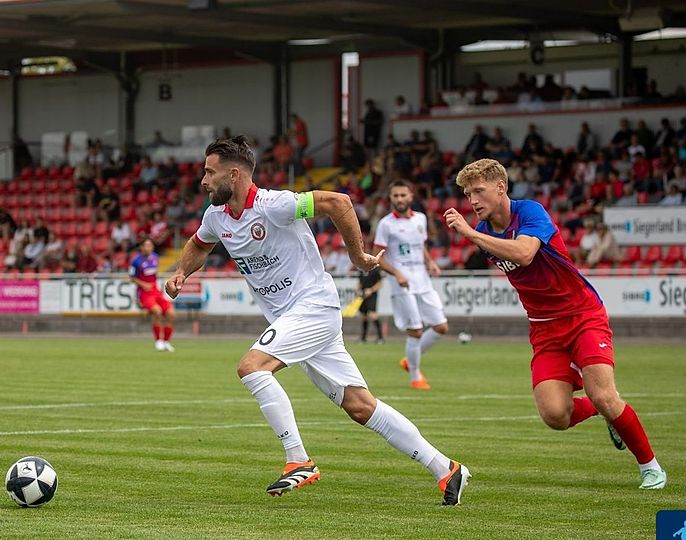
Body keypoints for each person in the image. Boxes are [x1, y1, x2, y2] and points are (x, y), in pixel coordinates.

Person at [165, 136, 470, 504]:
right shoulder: (216, 216)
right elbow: (199, 244)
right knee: (360, 406)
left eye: (209, 173)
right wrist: (182, 271)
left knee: (252, 367)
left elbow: (338, 202)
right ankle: (446, 469)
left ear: (234, 174)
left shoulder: (274, 204)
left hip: (312, 307)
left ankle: (298, 459)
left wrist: (358, 256)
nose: (203, 180)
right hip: (297, 319)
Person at [444, 158, 666, 490]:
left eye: (478, 191)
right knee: (554, 415)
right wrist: (476, 235)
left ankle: (651, 467)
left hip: (582, 316)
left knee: (605, 393)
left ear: (500, 187)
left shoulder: (530, 212)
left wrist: (470, 233)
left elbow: (524, 253)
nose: (472, 201)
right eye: (467, 194)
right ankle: (601, 411)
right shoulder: (486, 232)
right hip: (544, 329)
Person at [374, 180, 447, 389]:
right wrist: (397, 273)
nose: (399, 199)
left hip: (422, 280)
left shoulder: (421, 219)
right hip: (401, 284)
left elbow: (420, 245)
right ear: (390, 198)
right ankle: (415, 376)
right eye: (395, 195)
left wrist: (430, 262)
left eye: (402, 195)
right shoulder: (386, 224)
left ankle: (409, 359)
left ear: (411, 196)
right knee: (415, 330)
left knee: (441, 326)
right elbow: (378, 256)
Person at [131, 238, 175, 352]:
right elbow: (132, 277)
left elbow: (154, 275)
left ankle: (166, 342)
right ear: (141, 247)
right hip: (145, 293)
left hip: (155, 290)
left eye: (150, 245)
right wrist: (143, 285)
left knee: (171, 313)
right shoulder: (136, 261)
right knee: (157, 311)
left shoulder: (155, 258)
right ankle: (158, 341)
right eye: (145, 245)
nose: (148, 248)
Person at [356, 267, 384, 344]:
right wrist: (357, 290)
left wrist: (371, 290)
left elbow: (380, 284)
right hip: (363, 296)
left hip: (372, 296)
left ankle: (380, 338)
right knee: (364, 316)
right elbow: (360, 282)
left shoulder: (375, 271)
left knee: (372, 314)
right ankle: (363, 338)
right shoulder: (361, 270)